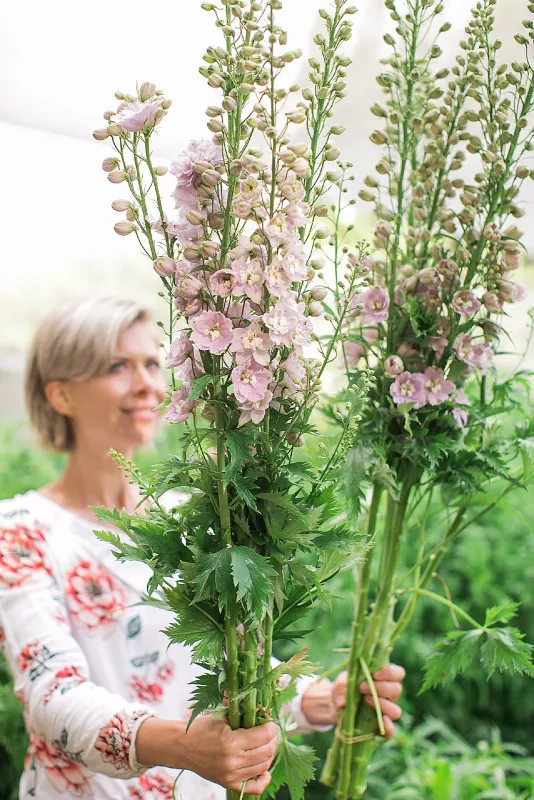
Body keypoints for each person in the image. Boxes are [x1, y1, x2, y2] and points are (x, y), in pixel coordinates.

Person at [0, 296, 405, 800]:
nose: (147, 382)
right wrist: (187, 748)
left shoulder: (192, 512)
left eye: (152, 362)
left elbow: (233, 665)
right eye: (116, 366)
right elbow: (52, 695)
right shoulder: (21, 530)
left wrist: (319, 701)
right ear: (60, 395)